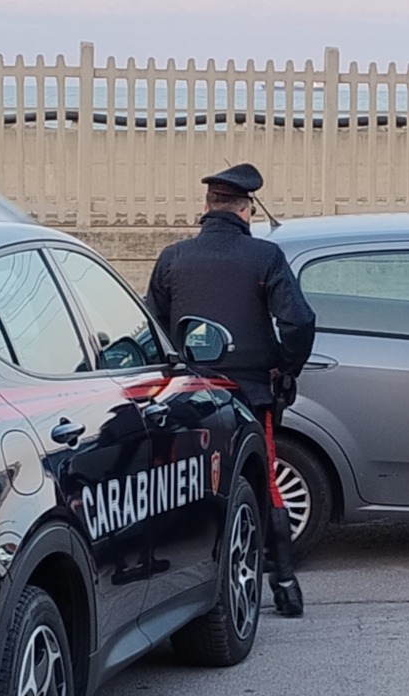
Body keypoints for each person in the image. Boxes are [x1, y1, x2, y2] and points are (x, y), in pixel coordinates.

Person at [145, 163, 316, 617]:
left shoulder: (172, 259)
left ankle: (186, 588)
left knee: (194, 487)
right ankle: (283, 585)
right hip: (250, 395)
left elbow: (153, 329)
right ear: (246, 210)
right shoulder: (264, 258)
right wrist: (285, 366)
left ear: (206, 208)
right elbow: (299, 321)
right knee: (264, 487)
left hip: (189, 399)